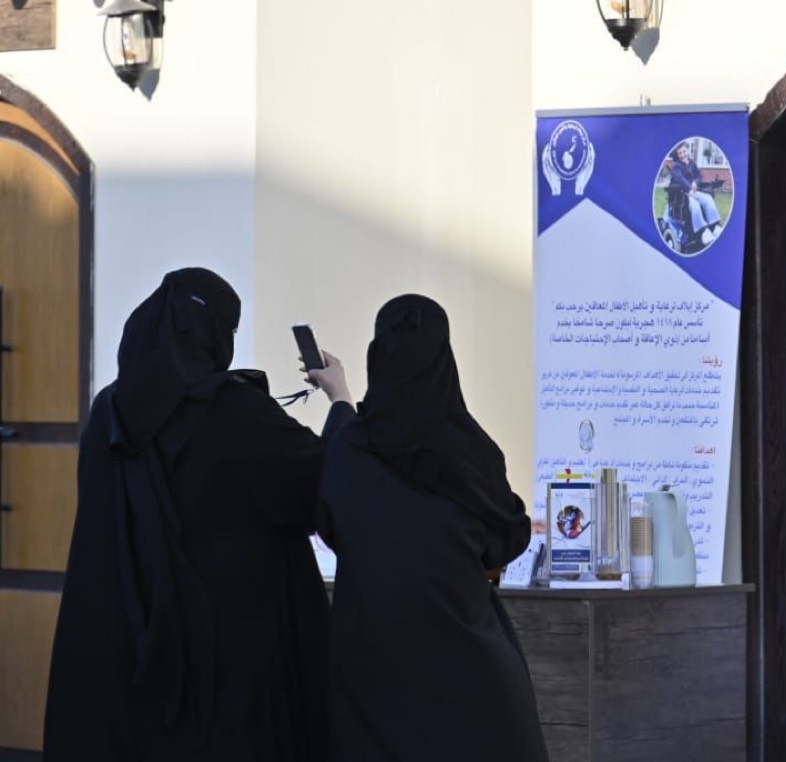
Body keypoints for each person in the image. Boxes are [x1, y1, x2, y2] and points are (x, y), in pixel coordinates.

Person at [43, 268, 354, 762]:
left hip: (130, 655)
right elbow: (326, 483)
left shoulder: (109, 415)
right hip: (228, 668)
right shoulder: (236, 411)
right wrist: (340, 401)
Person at [318, 294, 549, 762]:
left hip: (374, 691)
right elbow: (507, 538)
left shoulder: (349, 451)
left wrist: (340, 400)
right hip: (474, 691)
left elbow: (330, 522)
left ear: (377, 356)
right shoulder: (472, 452)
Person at [669, 141, 723, 245]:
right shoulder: (676, 166)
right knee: (694, 204)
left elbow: (699, 177)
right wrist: (689, 189)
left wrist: (695, 182)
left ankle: (714, 226)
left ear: (688, 151)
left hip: (694, 191)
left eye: (684, 151)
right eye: (680, 153)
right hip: (681, 193)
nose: (682, 155)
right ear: (677, 154)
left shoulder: (692, 163)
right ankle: (702, 231)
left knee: (708, 198)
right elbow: (680, 179)